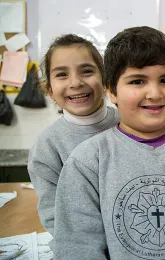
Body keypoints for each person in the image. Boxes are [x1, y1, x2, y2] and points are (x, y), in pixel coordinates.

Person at [53, 26, 165, 259]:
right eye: (138, 81)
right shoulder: (88, 162)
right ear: (111, 91)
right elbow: (78, 247)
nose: (154, 93)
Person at [28, 34, 119, 243]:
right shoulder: (47, 146)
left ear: (106, 81)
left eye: (86, 71)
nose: (76, 83)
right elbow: (53, 214)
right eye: (61, 74)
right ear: (50, 90)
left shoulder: (131, 124)